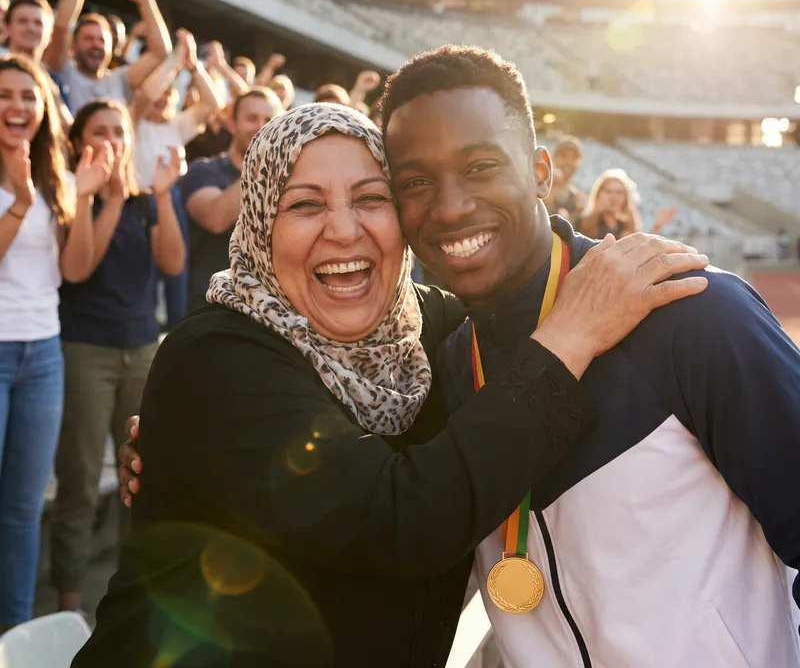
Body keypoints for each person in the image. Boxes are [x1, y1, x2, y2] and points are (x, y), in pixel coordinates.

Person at [76, 103, 702, 666]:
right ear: (261, 224)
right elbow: (403, 520)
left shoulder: (426, 327)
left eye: (371, 198)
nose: (344, 230)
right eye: (304, 203)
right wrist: (569, 338)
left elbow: (532, 308)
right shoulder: (214, 357)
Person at [379, 46, 800, 667]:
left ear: (542, 171)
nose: (448, 207)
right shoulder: (445, 374)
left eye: (481, 166)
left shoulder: (689, 310)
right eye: (416, 182)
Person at [50, 98, 184, 615]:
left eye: (119, 131)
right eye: (99, 131)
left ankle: (135, 594)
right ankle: (67, 602)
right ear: (79, 141)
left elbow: (172, 263)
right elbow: (77, 268)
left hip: (142, 348)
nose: (111, 141)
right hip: (86, 351)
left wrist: (165, 196)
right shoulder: (71, 197)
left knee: (144, 476)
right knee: (81, 481)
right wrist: (97, 197)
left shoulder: (148, 201)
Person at [0, 54, 110, 629]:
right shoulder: (23, 188)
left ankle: (13, 632)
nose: (16, 106)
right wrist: (19, 200)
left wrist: (86, 197)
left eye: (27, 96)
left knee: (21, 512)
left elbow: (75, 270)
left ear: (44, 107)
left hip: (42, 355)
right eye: (5, 95)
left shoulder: (56, 178)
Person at [130, 28, 221, 326]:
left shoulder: (176, 126)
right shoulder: (133, 123)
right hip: (140, 201)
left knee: (176, 274)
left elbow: (212, 104)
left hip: (172, 201)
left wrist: (193, 65)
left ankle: (175, 328)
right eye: (160, 90)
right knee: (145, 271)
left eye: (169, 91)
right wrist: (174, 61)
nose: (162, 97)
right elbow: (145, 94)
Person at [181, 86, 282, 313]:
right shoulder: (204, 171)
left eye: (268, 120)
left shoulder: (284, 180)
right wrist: (261, 162)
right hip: (210, 307)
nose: (261, 127)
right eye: (252, 118)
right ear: (232, 124)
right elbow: (214, 218)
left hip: (265, 309)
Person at [46, 0, 171, 113]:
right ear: (73, 46)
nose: (96, 45)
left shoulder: (119, 80)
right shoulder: (62, 71)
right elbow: (62, 24)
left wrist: (147, 2)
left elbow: (160, 54)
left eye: (102, 40)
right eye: (88, 39)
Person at [4, 0, 73, 128]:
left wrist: (51, 91)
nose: (31, 28)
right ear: (8, 28)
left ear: (50, 32)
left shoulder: (55, 81)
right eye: (22, 21)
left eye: (38, 23)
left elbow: (69, 130)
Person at [577, 168, 641, 239]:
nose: (614, 197)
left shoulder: (627, 227)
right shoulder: (585, 223)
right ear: (598, 195)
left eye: (619, 192)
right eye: (609, 192)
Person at [544, 136, 585, 223]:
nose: (568, 162)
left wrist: (579, 212)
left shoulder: (575, 196)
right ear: (553, 158)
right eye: (563, 156)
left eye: (573, 158)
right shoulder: (541, 186)